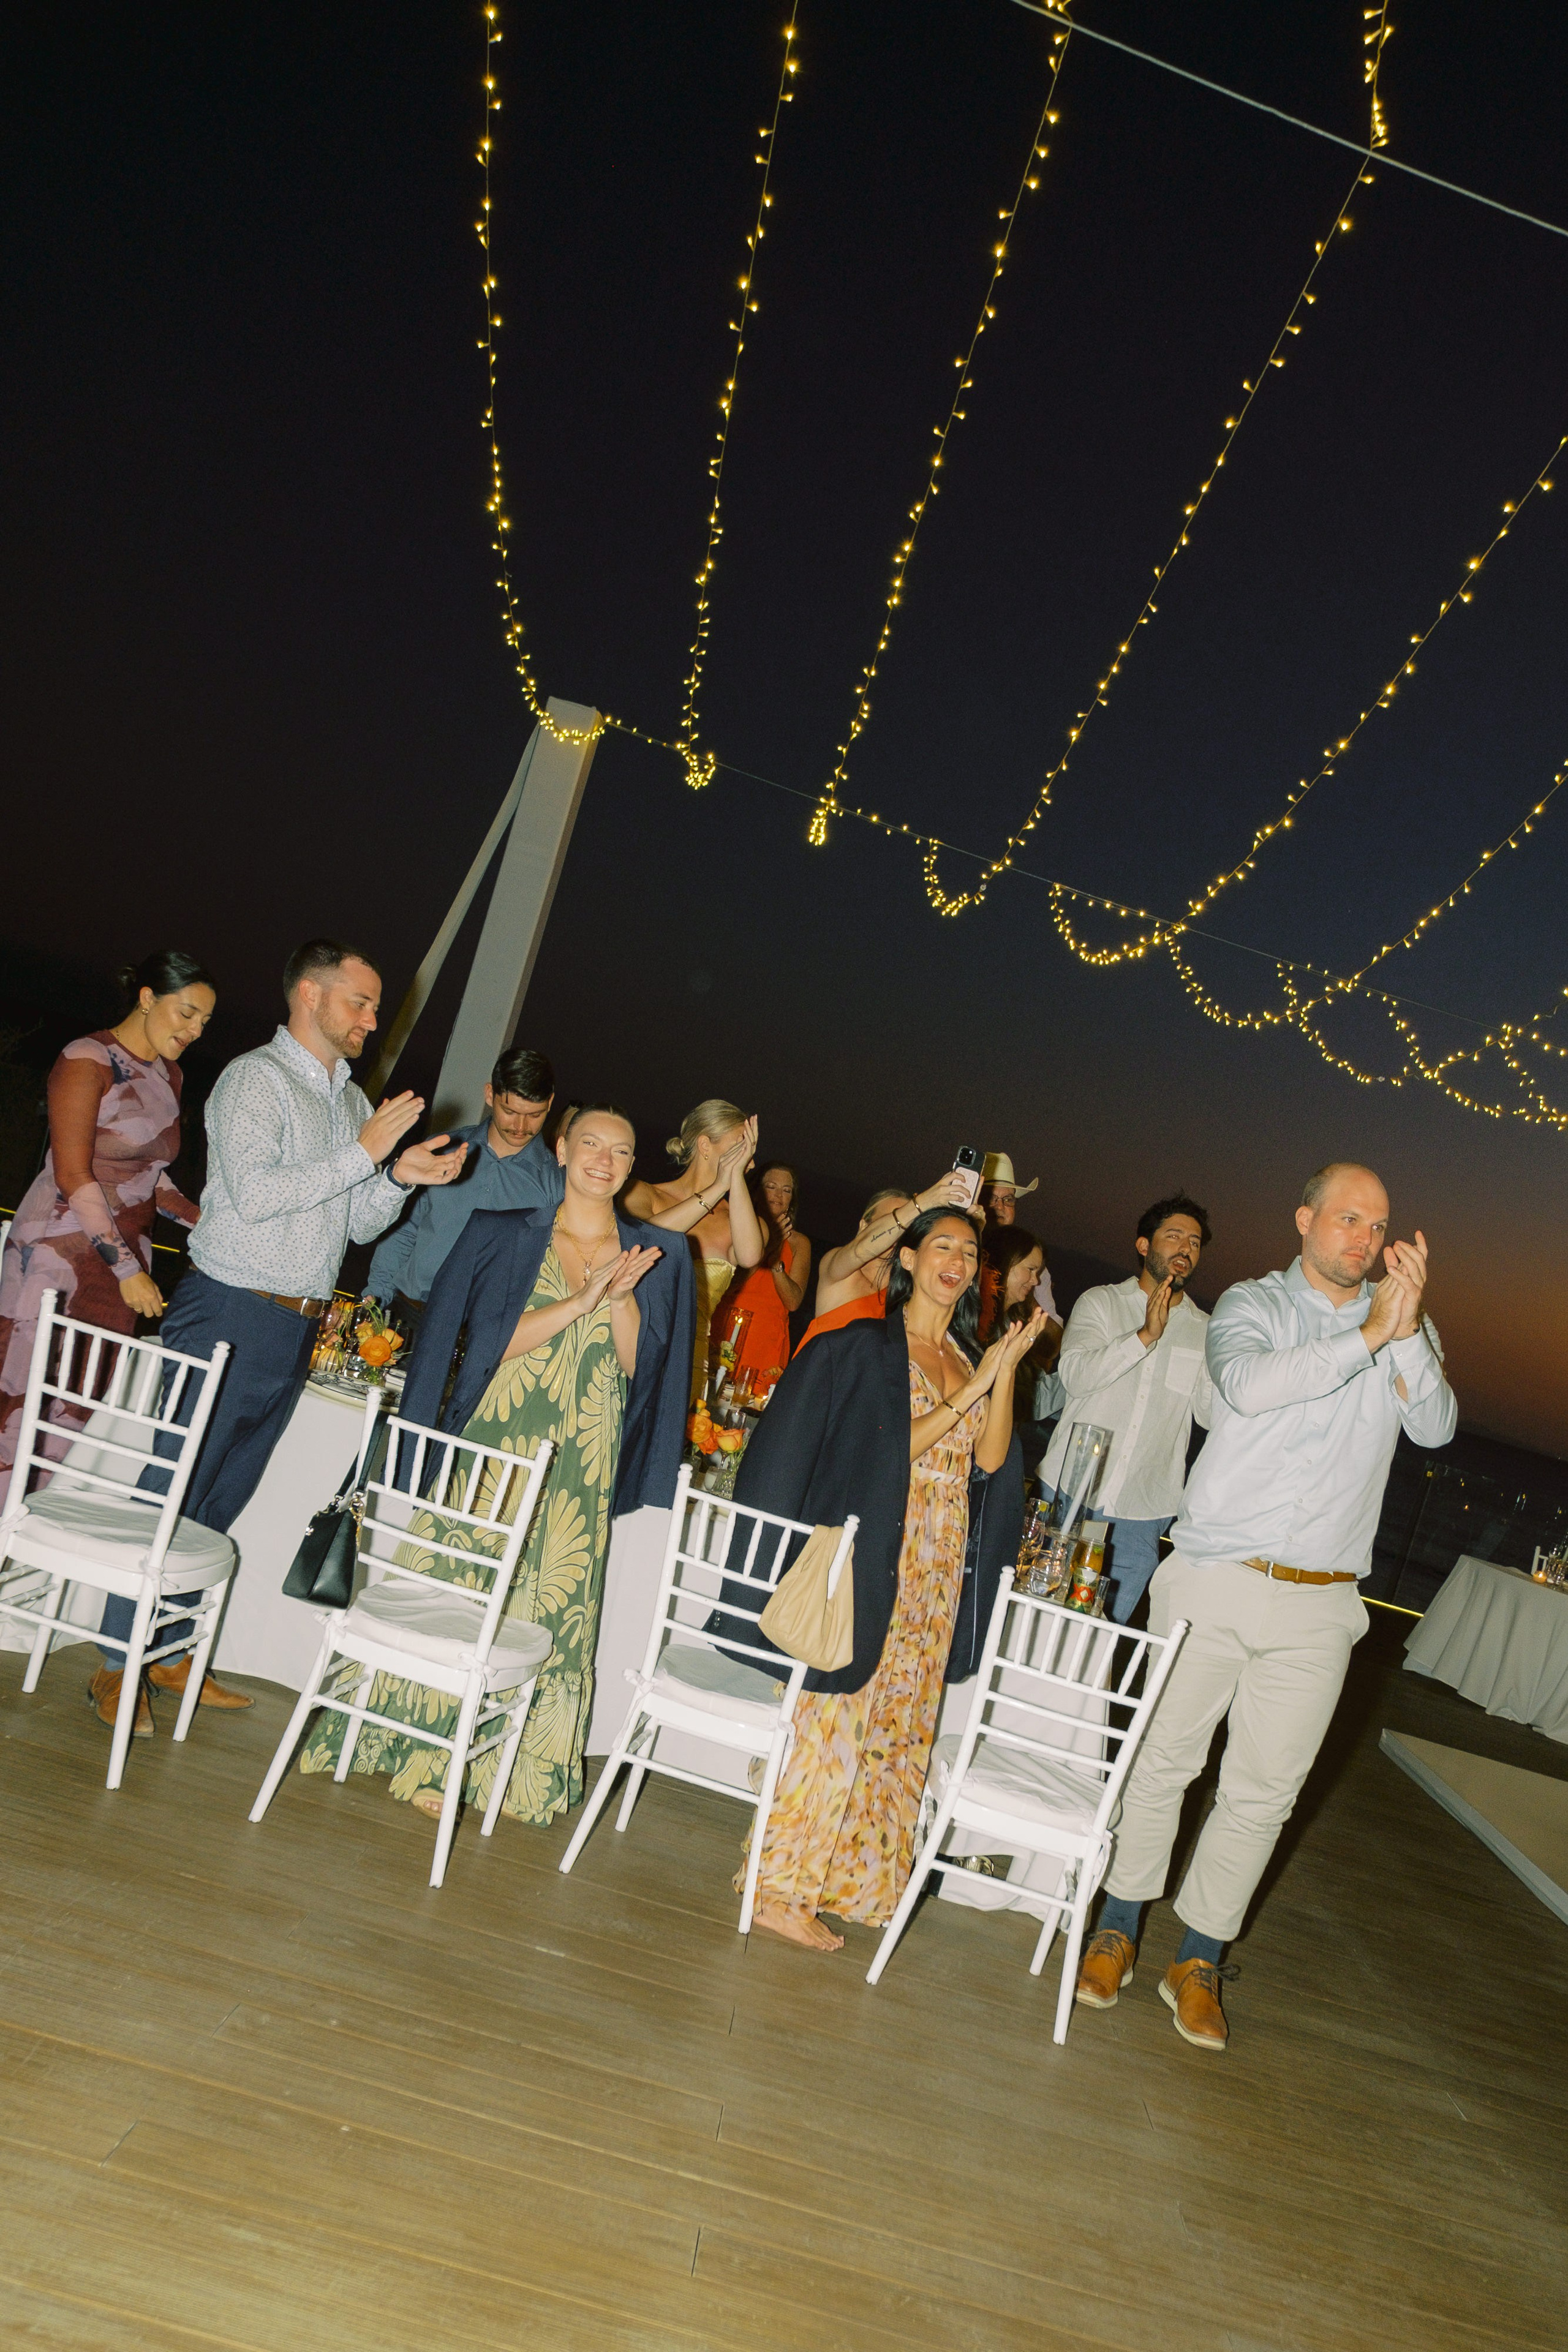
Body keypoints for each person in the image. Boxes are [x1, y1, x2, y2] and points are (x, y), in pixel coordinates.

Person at [1074, 1163, 1456, 2051]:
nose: (1363, 1238)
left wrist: (1403, 1336)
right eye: (1348, 1219)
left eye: (1379, 1224)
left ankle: (1198, 1958)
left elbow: (1434, 1426)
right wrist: (1369, 1335)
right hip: (1215, 1576)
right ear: (1305, 1221)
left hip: (1323, 1605)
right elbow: (1248, 1388)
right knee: (1163, 1763)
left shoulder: (1401, 1325)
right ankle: (1117, 1926)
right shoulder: (1250, 1307)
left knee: (1261, 1795)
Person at [95, 939, 466, 1739]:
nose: (374, 1018)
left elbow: (358, 1220)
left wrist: (397, 1178)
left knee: (221, 1501)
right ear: (309, 994)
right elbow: (257, 1198)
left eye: (375, 1005)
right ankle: (117, 1663)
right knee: (175, 1489)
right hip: (226, 1308)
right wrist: (362, 1156)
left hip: (295, 1324)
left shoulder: (354, 1104)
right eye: (361, 1002)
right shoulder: (252, 1081)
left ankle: (173, 1655)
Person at [302, 1104, 694, 1825]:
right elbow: (482, 1349)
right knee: (462, 1592)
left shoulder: (659, 1256)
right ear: (563, 1149)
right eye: (590, 1145)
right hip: (496, 1446)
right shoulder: (506, 1232)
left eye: (621, 1150)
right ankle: (427, 1754)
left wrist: (621, 1302)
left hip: (584, 1455)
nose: (603, 1160)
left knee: (553, 1607)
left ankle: (514, 1770)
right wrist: (581, 1301)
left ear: (633, 1165)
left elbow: (646, 1376)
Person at [722, 1205, 1040, 1951]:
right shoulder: (871, 1347)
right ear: (907, 1259)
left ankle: (847, 1884)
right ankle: (778, 1887)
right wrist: (973, 1388)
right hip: (871, 1555)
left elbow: (988, 1463)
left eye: (969, 1250)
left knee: (899, 1732)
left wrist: (1004, 1372)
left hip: (934, 1567)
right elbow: (883, 1453)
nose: (956, 1260)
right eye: (942, 1246)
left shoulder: (966, 1357)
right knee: (833, 1720)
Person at [0, 949, 216, 1517]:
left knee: (71, 1409)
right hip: (58, 1254)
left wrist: (207, 1222)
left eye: (204, 1022)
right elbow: (73, 1174)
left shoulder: (170, 1074)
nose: (194, 1030)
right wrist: (128, 1271)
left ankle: (9, 1532)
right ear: (148, 998)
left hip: (120, 1269)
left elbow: (150, 1176)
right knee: (17, 1407)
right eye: (186, 1014)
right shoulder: (86, 1059)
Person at [1039, 1196, 1213, 1624]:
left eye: (1194, 1241)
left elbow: (1211, 1416)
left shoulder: (1207, 1330)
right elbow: (1076, 1376)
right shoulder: (1101, 1303)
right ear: (1143, 1245)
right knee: (1034, 1615)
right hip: (1067, 1493)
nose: (1185, 1248)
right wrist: (1144, 1336)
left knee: (1099, 1637)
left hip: (1143, 1511)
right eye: (1173, 1236)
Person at [367, 1044, 561, 1332]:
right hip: (406, 1315)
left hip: (480, 1333)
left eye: (534, 1114)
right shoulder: (442, 1150)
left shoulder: (555, 1185)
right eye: (510, 1111)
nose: (521, 1126)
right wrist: (375, 1299)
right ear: (489, 1095)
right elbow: (404, 1230)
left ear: (551, 1103)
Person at [622, 1100, 764, 1401]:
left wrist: (733, 1179)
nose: (750, 1163)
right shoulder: (643, 1193)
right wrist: (716, 1189)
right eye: (742, 1148)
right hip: (631, 1340)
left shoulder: (743, 1221)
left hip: (689, 1357)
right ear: (705, 1145)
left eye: (751, 1152)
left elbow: (750, 1256)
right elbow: (647, 1239)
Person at [799, 1174, 974, 1351]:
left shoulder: (907, 1289)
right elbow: (860, 1250)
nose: (899, 1233)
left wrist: (971, 1228)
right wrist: (922, 1204)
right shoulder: (837, 1268)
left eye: (908, 1226)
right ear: (864, 1227)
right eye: (891, 1219)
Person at [712, 1163, 811, 1387]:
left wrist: (776, 1260)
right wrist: (769, 1243)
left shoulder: (798, 1243)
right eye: (772, 1187)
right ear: (756, 1192)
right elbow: (729, 1283)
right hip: (728, 1326)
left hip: (766, 1339)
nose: (779, 1195)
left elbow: (794, 1302)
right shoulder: (735, 1227)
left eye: (787, 1190)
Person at [978, 1223, 1064, 1442]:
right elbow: (1029, 1400)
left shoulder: (1012, 1325)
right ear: (1007, 1262)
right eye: (1031, 1270)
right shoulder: (976, 1322)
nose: (1035, 1281)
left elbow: (1033, 1397)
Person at [979, 1150, 1061, 1355]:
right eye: (991, 1198)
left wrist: (1023, 1292)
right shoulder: (957, 1252)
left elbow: (1053, 1343)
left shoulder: (1036, 1269)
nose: (999, 1207)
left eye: (1008, 1200)